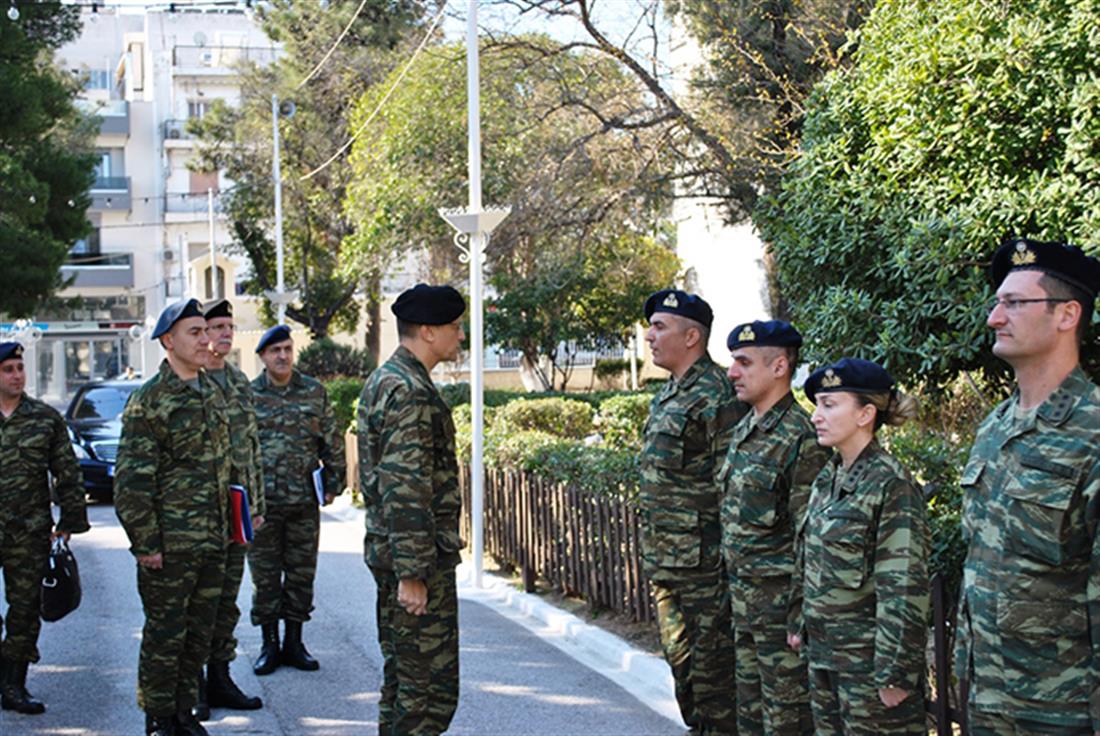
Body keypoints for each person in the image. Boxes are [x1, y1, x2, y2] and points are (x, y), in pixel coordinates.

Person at [955, 238, 1100, 736]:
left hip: (1064, 712)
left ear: (1067, 315)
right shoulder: (994, 429)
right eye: (997, 303)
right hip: (986, 701)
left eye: (1014, 302)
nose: (995, 317)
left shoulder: (1093, 430)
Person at [115, 298, 231, 736]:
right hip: (170, 545)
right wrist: (146, 544)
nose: (205, 340)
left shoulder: (211, 391)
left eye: (206, 331)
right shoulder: (151, 401)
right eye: (194, 333)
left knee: (198, 634)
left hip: (212, 540)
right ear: (168, 341)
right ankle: (159, 718)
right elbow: (131, 482)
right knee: (166, 635)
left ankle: (183, 712)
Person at [794, 358, 928, 735]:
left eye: (830, 405)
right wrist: (797, 623)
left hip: (869, 670)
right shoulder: (829, 478)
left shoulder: (890, 483)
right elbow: (808, 558)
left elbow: (902, 584)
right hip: (825, 659)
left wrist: (895, 674)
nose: (817, 416)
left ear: (865, 413)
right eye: (817, 405)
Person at [358, 284, 465, 736]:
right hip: (416, 560)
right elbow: (405, 488)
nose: (460, 337)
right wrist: (412, 573)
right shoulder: (410, 391)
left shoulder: (388, 379)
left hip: (398, 552)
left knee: (403, 683)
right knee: (429, 695)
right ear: (427, 331)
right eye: (454, 328)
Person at [639, 289, 745, 735]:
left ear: (692, 336)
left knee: (714, 680)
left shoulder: (717, 394)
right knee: (684, 672)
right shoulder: (669, 393)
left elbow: (732, 482)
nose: (649, 336)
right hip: (667, 562)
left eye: (660, 326)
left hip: (705, 567)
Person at [721, 321, 828, 735]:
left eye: (744, 363)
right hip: (744, 609)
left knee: (787, 722)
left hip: (781, 616)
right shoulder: (746, 430)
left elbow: (809, 538)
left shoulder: (801, 439)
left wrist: (799, 618)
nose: (733, 373)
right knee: (750, 717)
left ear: (780, 366)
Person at [249, 324, 345, 675]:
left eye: (287, 349)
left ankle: (295, 641)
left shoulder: (313, 392)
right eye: (275, 351)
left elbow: (331, 440)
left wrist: (335, 481)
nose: (283, 356)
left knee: (302, 575)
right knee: (266, 577)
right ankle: (269, 644)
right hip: (263, 507)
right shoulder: (249, 395)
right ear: (263, 356)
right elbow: (240, 450)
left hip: (304, 502)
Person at [0, 341, 89, 715]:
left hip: (29, 533)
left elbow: (67, 472)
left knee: (24, 610)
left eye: (20, 368)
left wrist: (69, 522)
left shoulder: (45, 418)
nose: (17, 375)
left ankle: (14, 685)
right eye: (8, 369)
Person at [192, 299, 265, 719]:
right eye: (214, 326)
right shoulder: (193, 381)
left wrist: (257, 506)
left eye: (227, 326)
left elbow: (251, 450)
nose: (222, 333)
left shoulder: (239, 383)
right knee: (199, 604)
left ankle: (220, 677)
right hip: (201, 515)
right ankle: (195, 685)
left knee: (227, 602)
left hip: (237, 513)